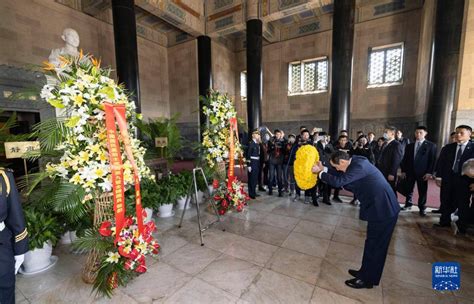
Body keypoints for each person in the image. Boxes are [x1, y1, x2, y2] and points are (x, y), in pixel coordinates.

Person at [312, 151, 400, 289]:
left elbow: (339, 181)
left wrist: (320, 173)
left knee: (376, 246)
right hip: (379, 207)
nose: (337, 169)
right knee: (371, 243)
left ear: (342, 162)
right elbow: (342, 174)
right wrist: (324, 168)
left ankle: (367, 280)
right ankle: (365, 272)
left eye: (336, 166)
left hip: (384, 209)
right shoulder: (355, 162)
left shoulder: (359, 167)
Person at [434, 125, 474, 234]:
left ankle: (462, 226)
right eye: (456, 133)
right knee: (446, 200)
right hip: (448, 179)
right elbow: (441, 163)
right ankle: (444, 221)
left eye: (461, 133)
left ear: (469, 134)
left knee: (463, 204)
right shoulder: (448, 148)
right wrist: (438, 177)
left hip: (465, 181)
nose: (458, 135)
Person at [0, 168, 29, 304]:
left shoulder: (3, 177)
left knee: (5, 294)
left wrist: (20, 250)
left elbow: (15, 214)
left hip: (1, 249)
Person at [399, 126, 437, 216]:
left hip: (423, 172)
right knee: (409, 189)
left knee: (422, 190)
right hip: (410, 171)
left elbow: (432, 160)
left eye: (420, 132)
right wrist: (403, 170)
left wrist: (429, 172)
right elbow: (405, 159)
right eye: (416, 132)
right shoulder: (410, 146)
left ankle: (422, 207)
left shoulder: (431, 145)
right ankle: (408, 204)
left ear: (425, 133)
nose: (418, 134)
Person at [293, 129, 319, 206]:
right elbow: (293, 153)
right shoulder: (297, 144)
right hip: (299, 167)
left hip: (308, 167)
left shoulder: (311, 144)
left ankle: (307, 196)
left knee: (307, 180)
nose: (305, 136)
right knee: (297, 180)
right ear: (301, 136)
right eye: (304, 135)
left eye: (307, 135)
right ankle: (297, 195)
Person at [376, 126, 403, 194]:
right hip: (381, 170)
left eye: (386, 132)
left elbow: (396, 161)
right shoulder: (385, 143)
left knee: (390, 190)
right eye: (384, 132)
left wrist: (392, 173)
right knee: (382, 189)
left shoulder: (397, 145)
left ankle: (393, 204)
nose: (384, 134)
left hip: (389, 172)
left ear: (392, 134)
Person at [267, 129, 286, 196]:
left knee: (279, 177)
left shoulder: (283, 141)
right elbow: (268, 151)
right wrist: (273, 147)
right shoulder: (271, 141)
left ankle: (280, 191)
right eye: (276, 134)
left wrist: (281, 147)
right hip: (272, 161)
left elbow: (285, 151)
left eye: (279, 134)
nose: (278, 135)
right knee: (271, 176)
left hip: (280, 162)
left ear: (281, 134)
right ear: (274, 134)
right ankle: (270, 190)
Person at [246, 130, 261, 199]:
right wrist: (249, 165)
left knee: (255, 178)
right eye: (256, 134)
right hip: (252, 162)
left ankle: (254, 192)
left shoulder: (257, 143)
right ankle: (251, 194)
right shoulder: (251, 143)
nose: (258, 135)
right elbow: (248, 154)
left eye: (258, 134)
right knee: (251, 178)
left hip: (256, 162)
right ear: (253, 135)